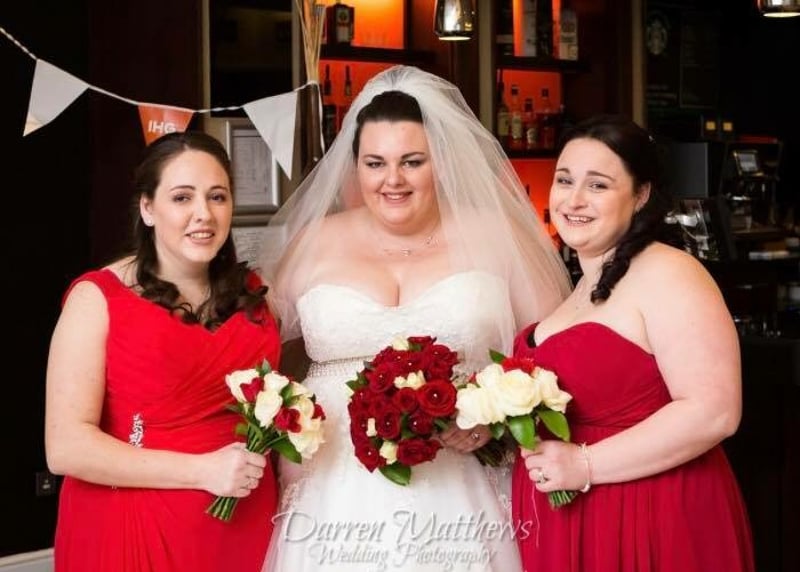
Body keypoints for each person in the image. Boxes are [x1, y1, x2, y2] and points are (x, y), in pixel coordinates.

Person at [258, 65, 572, 570]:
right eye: (375, 163)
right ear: (355, 166)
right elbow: (257, 350)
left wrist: (495, 419)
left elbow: (555, 352)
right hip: (330, 486)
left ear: (441, 161)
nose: (393, 180)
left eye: (412, 161)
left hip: (463, 480)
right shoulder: (313, 242)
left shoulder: (495, 236)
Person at [511, 114, 755, 571]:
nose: (574, 200)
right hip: (574, 517)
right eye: (564, 180)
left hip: (651, 511)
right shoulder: (579, 287)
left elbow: (715, 411)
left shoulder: (669, 272)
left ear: (640, 195)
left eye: (598, 185)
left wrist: (585, 464)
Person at [45, 131, 281, 572]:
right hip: (135, 528)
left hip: (246, 528)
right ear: (148, 208)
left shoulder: (257, 293)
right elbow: (65, 447)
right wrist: (203, 471)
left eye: (217, 196)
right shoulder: (97, 298)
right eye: (182, 198)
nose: (203, 214)